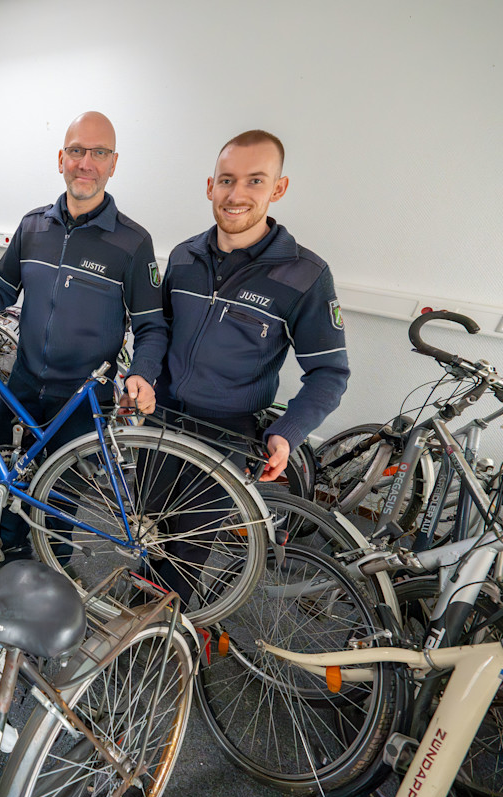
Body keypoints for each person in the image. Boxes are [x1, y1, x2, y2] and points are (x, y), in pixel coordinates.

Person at [0, 111, 167, 561]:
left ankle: (55, 572)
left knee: (61, 498)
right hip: (21, 387)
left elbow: (152, 325)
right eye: (76, 151)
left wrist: (142, 373)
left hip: (81, 400)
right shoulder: (33, 226)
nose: (85, 163)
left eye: (98, 153)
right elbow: (2, 292)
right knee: (12, 482)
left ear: (113, 163)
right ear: (61, 158)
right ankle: (10, 558)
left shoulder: (133, 243)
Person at [154, 129, 350, 598]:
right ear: (210, 186)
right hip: (160, 420)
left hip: (225, 432)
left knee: (187, 549)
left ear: (278, 189)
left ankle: (163, 629)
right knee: (149, 530)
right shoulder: (183, 256)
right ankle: (140, 608)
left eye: (255, 181)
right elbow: (159, 333)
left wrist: (289, 431)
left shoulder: (305, 275)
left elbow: (330, 372)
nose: (236, 194)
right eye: (226, 180)